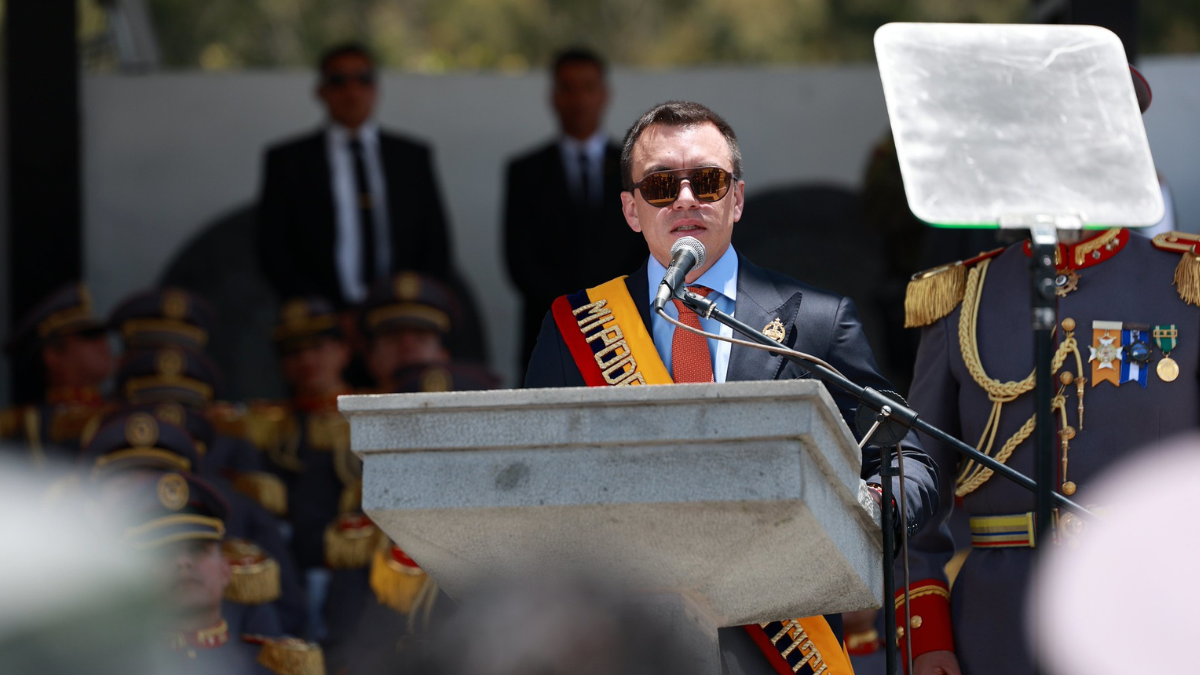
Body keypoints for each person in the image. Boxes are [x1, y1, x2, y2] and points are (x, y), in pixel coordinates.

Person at [523, 100, 939, 675]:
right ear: (631, 209)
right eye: (662, 184)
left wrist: (871, 508)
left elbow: (906, 459)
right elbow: (534, 480)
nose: (687, 199)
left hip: (782, 647)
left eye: (709, 181)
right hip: (622, 647)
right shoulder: (576, 326)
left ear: (737, 199)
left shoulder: (816, 320)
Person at [893, 68, 1187, 675]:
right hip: (998, 630)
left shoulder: (1184, 286)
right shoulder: (961, 297)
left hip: (1157, 618)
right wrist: (927, 633)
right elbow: (914, 487)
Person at [257, 43, 452, 310]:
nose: (352, 91)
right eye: (338, 81)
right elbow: (274, 248)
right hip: (321, 324)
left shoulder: (411, 157)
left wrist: (409, 304)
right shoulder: (289, 161)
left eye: (364, 79)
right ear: (320, 91)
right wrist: (323, 312)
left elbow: (435, 243)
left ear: (376, 89)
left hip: (399, 317)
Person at [504, 48, 646, 379]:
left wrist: (609, 309)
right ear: (553, 97)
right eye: (568, 88)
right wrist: (572, 313)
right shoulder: (525, 171)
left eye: (588, 87)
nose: (578, 99)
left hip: (623, 330)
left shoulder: (635, 169)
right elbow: (519, 261)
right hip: (548, 330)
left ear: (604, 95)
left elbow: (646, 247)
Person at [103, 468, 323, 674]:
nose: (183, 561)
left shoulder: (275, 666)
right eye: (165, 552)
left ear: (226, 569)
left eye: (198, 550)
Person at [1, 283, 115, 464]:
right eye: (89, 335)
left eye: (102, 333)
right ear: (53, 355)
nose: (103, 342)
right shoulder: (17, 425)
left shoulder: (123, 410)